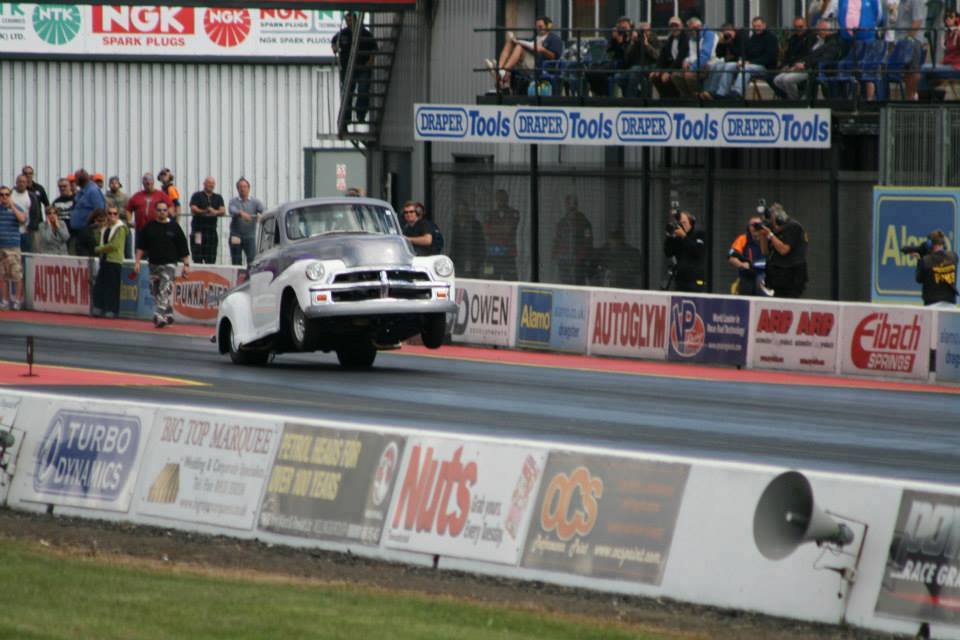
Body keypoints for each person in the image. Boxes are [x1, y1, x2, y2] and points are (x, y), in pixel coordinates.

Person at [135, 202, 190, 328]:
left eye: (164, 210)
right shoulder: (149, 227)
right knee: (155, 290)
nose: (162, 212)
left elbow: (183, 246)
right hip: (153, 264)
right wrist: (137, 262)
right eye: (159, 210)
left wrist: (186, 265)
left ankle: (159, 315)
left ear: (168, 211)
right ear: (155, 211)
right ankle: (168, 313)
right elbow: (141, 246)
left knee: (164, 288)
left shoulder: (174, 227)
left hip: (169, 263)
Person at [484, 16, 562, 92]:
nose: (538, 28)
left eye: (540, 26)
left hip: (539, 65)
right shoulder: (535, 37)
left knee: (519, 47)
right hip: (528, 61)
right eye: (537, 26)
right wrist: (517, 41)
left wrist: (542, 50)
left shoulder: (554, 39)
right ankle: (501, 69)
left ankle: (503, 72)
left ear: (548, 26)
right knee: (510, 42)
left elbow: (554, 56)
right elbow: (530, 45)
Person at [710, 16, 780, 98]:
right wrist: (742, 60)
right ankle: (721, 93)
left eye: (759, 26)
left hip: (765, 67)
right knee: (729, 66)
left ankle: (737, 92)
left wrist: (750, 62)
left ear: (764, 25)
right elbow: (746, 52)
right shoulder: (754, 37)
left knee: (746, 68)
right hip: (751, 64)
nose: (756, 28)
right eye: (754, 26)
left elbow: (769, 57)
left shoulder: (771, 38)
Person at [774, 20, 845, 99]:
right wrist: (796, 64)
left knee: (787, 80)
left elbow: (825, 59)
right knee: (777, 80)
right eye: (817, 30)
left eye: (819, 30)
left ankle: (795, 99)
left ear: (826, 30)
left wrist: (805, 65)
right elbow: (809, 55)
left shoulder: (832, 43)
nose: (818, 32)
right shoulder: (820, 41)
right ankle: (793, 97)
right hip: (806, 66)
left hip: (813, 69)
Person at [331, 12, 378, 123]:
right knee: (347, 93)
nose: (348, 22)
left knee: (363, 90)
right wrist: (334, 47)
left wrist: (370, 61)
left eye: (350, 20)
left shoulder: (365, 34)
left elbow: (374, 48)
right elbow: (334, 42)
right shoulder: (343, 34)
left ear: (356, 20)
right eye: (347, 20)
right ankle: (346, 118)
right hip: (347, 68)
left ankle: (361, 115)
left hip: (362, 67)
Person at [760, 203, 808, 298]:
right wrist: (763, 235)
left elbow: (784, 250)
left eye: (773, 221)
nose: (773, 226)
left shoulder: (793, 227)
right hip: (776, 274)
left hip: (792, 274)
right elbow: (765, 251)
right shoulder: (772, 230)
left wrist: (770, 235)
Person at [92, 208, 128, 318]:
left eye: (115, 213)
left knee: (112, 287)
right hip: (104, 260)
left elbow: (115, 245)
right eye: (110, 213)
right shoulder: (105, 228)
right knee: (100, 285)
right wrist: (100, 228)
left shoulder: (120, 228)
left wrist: (99, 249)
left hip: (114, 260)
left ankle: (111, 309)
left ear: (118, 215)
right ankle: (99, 307)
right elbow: (98, 240)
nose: (112, 215)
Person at [552, 195, 594, 285]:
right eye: (568, 204)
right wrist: (555, 253)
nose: (571, 207)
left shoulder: (584, 223)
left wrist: (585, 257)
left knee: (578, 283)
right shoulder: (562, 223)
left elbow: (589, 242)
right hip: (564, 260)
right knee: (565, 283)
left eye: (573, 204)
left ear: (576, 205)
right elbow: (557, 239)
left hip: (579, 260)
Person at [673, 16, 718, 97]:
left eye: (695, 28)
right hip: (696, 64)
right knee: (675, 75)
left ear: (700, 26)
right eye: (691, 29)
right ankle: (688, 97)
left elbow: (706, 55)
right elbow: (691, 54)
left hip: (709, 64)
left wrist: (692, 68)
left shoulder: (709, 35)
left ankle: (698, 97)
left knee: (689, 75)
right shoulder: (692, 38)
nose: (693, 31)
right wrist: (686, 61)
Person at [663, 210, 706, 292]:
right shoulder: (678, 237)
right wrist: (669, 237)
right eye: (680, 223)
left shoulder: (699, 234)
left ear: (691, 223)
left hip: (695, 280)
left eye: (684, 222)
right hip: (680, 280)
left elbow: (697, 251)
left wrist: (684, 236)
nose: (682, 225)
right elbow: (668, 252)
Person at [894, 0, 928, 100]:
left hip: (913, 41)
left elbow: (917, 21)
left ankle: (914, 96)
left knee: (913, 69)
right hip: (901, 40)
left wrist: (908, 39)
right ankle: (909, 97)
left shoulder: (916, 1)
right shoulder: (901, 2)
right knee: (906, 70)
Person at [701, 23, 746, 98]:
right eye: (725, 33)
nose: (728, 35)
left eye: (729, 32)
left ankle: (715, 92)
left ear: (733, 31)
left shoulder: (740, 38)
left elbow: (740, 52)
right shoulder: (725, 40)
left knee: (721, 67)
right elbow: (719, 54)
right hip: (727, 61)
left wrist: (730, 43)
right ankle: (707, 90)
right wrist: (721, 43)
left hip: (738, 62)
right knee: (713, 66)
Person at [484, 189, 520, 280]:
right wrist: (502, 228)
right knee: (489, 279)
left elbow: (509, 229)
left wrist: (494, 228)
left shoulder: (514, 213)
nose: (501, 200)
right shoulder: (490, 214)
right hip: (491, 255)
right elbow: (486, 230)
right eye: (498, 198)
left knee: (510, 280)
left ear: (507, 199)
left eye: (503, 198)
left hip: (508, 255)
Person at [914, 230, 958, 306]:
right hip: (950, 304)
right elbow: (941, 257)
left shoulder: (926, 260)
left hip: (931, 304)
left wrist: (919, 260)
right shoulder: (954, 256)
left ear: (930, 244)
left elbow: (919, 279)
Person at [189, 176, 226, 264]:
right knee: (197, 256)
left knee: (211, 258)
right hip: (198, 232)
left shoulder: (218, 197)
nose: (211, 185)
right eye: (209, 183)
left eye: (213, 183)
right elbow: (193, 208)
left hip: (211, 232)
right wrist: (205, 211)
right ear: (204, 184)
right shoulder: (197, 195)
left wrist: (215, 212)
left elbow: (223, 210)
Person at [228, 177, 263, 267]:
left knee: (252, 260)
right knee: (236, 261)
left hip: (250, 236)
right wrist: (241, 213)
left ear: (249, 188)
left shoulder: (255, 202)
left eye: (245, 187)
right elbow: (232, 210)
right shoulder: (233, 201)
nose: (243, 189)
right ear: (237, 189)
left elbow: (262, 210)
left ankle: (251, 275)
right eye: (240, 187)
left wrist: (260, 214)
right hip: (236, 236)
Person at [0, 186, 26, 309]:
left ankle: (17, 299)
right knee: (3, 275)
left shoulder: (17, 208)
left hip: (13, 246)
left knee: (16, 274)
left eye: (6, 195)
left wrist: (12, 206)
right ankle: (5, 300)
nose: (4, 197)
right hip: (1, 246)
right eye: (1, 195)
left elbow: (22, 220)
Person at [619, 21, 660, 97]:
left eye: (646, 31)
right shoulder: (637, 40)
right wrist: (632, 43)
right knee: (620, 78)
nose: (645, 33)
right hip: (636, 66)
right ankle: (637, 96)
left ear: (650, 31)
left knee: (634, 72)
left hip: (650, 65)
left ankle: (631, 100)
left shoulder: (654, 39)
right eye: (642, 31)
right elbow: (627, 57)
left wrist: (647, 45)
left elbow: (657, 56)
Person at [69, 169, 106, 254]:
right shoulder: (82, 191)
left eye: (76, 178)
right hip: (78, 231)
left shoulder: (93, 190)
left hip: (87, 231)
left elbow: (99, 209)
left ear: (80, 180)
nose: (75, 181)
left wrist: (88, 220)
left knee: (87, 256)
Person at [651, 17, 689, 97]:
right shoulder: (670, 39)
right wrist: (658, 69)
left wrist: (669, 72)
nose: (674, 28)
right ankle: (665, 98)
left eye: (676, 26)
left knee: (670, 76)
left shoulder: (685, 38)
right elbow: (662, 56)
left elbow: (680, 58)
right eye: (672, 26)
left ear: (681, 26)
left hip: (682, 65)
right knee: (654, 76)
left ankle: (674, 98)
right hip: (671, 66)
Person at [728, 216, 768, 295]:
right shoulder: (742, 239)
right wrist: (741, 264)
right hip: (747, 277)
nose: (755, 228)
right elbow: (732, 257)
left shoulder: (767, 238)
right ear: (748, 227)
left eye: (758, 225)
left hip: (765, 278)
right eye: (753, 225)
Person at [450, 200, 486, 278]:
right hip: (458, 260)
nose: (462, 212)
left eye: (463, 210)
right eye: (460, 210)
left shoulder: (475, 224)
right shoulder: (456, 225)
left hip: (472, 260)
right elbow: (453, 243)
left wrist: (477, 260)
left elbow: (481, 243)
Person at [11, 174, 41, 252]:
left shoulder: (31, 196)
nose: (21, 184)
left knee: (26, 254)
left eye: (24, 182)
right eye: (20, 181)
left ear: (27, 183)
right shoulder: (10, 194)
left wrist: (31, 227)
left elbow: (36, 213)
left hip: (26, 232)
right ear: (16, 182)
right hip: (11, 232)